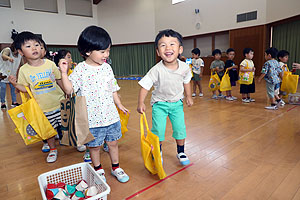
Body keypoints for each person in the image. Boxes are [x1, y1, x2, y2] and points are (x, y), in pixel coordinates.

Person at [59, 26, 130, 183]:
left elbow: (113, 89)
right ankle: (98, 169)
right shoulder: (80, 70)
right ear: (87, 51)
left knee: (113, 143)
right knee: (95, 147)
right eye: (103, 52)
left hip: (111, 116)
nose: (107, 55)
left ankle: (116, 167)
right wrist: (64, 73)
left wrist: (119, 104)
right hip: (92, 120)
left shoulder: (107, 68)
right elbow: (69, 90)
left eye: (108, 51)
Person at [137, 29, 193, 166]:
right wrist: (140, 102)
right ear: (158, 52)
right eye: (163, 45)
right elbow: (145, 86)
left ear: (180, 49)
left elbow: (187, 81)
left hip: (177, 104)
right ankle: (158, 151)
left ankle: (181, 151)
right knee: (158, 130)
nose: (168, 48)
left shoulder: (185, 68)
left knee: (180, 128)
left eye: (172, 44)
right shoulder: (156, 70)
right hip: (159, 104)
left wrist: (189, 96)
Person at [8, 31, 65, 163]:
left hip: (59, 103)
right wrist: (15, 83)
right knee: (48, 131)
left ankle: (73, 141)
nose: (34, 48)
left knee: (66, 125)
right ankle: (52, 149)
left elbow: (59, 80)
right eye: (28, 46)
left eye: (36, 44)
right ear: (21, 52)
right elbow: (25, 88)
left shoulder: (50, 64)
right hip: (43, 107)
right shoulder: (24, 70)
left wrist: (67, 93)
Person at [53, 49, 88, 157]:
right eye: (68, 57)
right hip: (62, 101)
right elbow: (66, 88)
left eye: (70, 57)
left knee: (76, 122)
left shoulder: (72, 71)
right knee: (66, 122)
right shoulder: (58, 72)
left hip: (73, 101)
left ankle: (79, 141)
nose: (71, 59)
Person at [0, 43, 22, 109]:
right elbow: (4, 55)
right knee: (3, 88)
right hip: (3, 74)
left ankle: (14, 102)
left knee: (13, 88)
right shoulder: (8, 50)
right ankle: (3, 103)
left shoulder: (19, 54)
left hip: (12, 75)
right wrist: (8, 58)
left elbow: (22, 64)